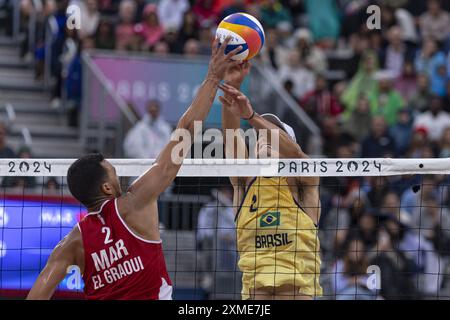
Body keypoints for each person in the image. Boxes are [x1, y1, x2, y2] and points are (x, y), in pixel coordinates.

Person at [26, 36, 242, 300]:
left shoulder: (71, 243)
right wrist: (212, 78)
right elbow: (184, 132)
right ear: (106, 186)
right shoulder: (134, 202)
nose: (119, 175)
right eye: (113, 171)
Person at [219, 63, 322, 300]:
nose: (262, 136)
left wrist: (251, 117)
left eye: (272, 133)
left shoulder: (303, 182)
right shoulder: (244, 180)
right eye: (258, 135)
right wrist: (231, 85)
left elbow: (296, 155)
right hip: (256, 292)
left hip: (297, 290)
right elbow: (231, 136)